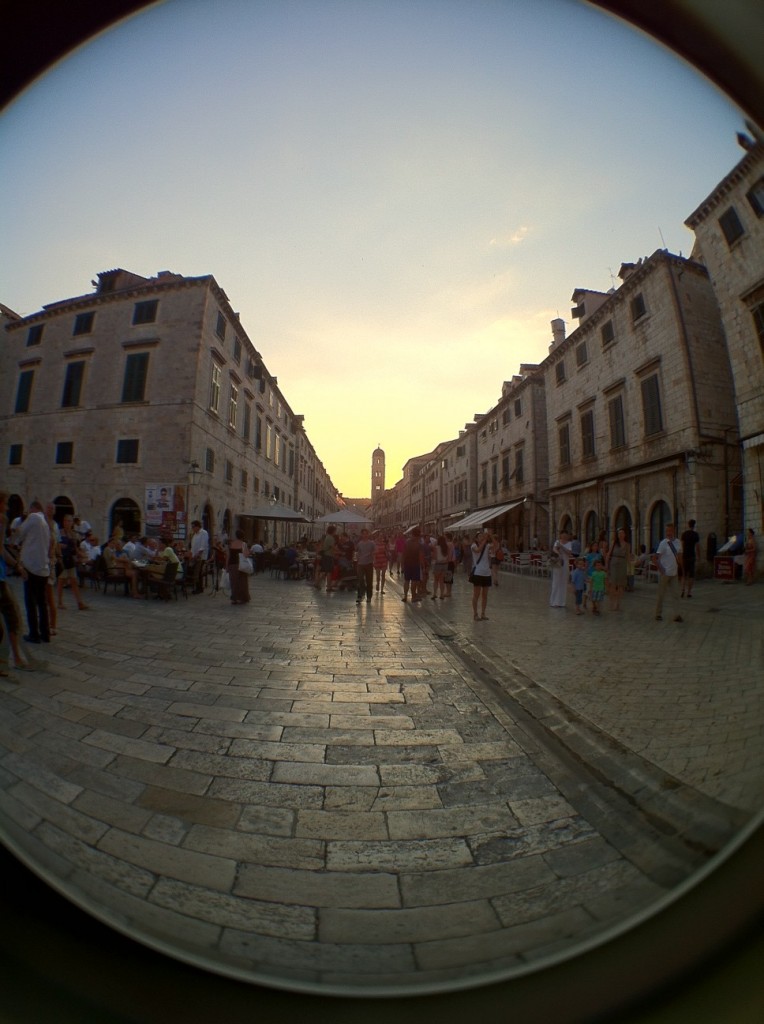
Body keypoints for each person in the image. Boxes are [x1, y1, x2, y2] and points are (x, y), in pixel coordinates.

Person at [0, 492, 29, 672]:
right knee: (12, 617)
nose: (8, 507)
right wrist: (18, 565)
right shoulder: (1, 520)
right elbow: (0, 550)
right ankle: (16, 658)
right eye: (5, 503)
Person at [17, 501, 51, 644]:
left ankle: (34, 634)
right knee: (42, 603)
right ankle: (45, 634)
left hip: (31, 567)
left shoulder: (33, 518)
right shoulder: (46, 524)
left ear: (33, 508)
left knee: (30, 602)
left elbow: (19, 533)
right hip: (43, 567)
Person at [56, 514, 89, 611]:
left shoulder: (74, 534)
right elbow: (56, 544)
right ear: (64, 522)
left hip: (70, 559)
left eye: (70, 521)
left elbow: (75, 548)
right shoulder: (60, 533)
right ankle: (59, 602)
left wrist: (81, 555)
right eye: (66, 521)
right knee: (61, 582)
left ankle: (80, 603)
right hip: (62, 558)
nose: (68, 523)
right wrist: (62, 547)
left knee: (74, 581)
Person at [653, 522, 683, 623]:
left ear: (673, 531)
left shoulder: (678, 542)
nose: (668, 533)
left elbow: (679, 556)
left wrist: (681, 569)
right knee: (661, 594)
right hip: (665, 573)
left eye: (670, 531)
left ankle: (677, 614)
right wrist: (661, 570)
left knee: (675, 594)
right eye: (666, 531)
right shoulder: (663, 543)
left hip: (674, 573)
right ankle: (658, 614)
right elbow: (656, 558)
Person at [470, 530, 493, 620]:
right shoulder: (473, 546)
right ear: (476, 538)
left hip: (486, 573)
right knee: (476, 594)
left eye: (482, 536)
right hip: (478, 573)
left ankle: (483, 613)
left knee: (485, 595)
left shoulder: (487, 546)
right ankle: (475, 614)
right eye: (479, 536)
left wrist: (491, 537)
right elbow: (478, 550)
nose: (481, 537)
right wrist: (485, 540)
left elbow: (496, 546)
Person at [606, 527, 631, 611]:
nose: (620, 535)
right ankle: (612, 601)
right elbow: (609, 554)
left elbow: (628, 557)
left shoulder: (627, 545)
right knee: (613, 583)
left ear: (624, 535)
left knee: (620, 584)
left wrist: (630, 566)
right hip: (613, 563)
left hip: (622, 564)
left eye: (622, 533)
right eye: (619, 533)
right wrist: (606, 565)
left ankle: (618, 602)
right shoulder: (614, 543)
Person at [549, 529, 573, 608]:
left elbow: (569, 553)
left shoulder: (569, 543)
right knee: (556, 582)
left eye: (566, 535)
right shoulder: (557, 542)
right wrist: (558, 552)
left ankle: (562, 602)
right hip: (558, 562)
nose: (564, 536)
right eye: (563, 535)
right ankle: (554, 602)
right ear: (560, 535)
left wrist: (562, 546)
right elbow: (554, 549)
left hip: (565, 563)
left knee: (563, 582)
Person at [226, 529, 250, 604]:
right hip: (241, 565)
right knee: (242, 582)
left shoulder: (231, 544)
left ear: (236, 536)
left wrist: (226, 566)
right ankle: (242, 598)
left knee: (234, 582)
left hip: (232, 564)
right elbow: (246, 555)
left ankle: (234, 598)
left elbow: (228, 556)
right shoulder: (243, 544)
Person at [401, 528, 424, 602]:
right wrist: (422, 566)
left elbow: (403, 554)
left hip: (407, 564)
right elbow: (420, 557)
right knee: (414, 581)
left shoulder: (407, 542)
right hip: (415, 564)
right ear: (419, 535)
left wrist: (402, 564)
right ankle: (413, 597)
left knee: (406, 581)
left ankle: (405, 596)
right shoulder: (419, 545)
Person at [680, 519, 701, 598]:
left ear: (688, 525)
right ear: (694, 525)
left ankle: (682, 590)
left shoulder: (684, 534)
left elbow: (682, 546)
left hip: (685, 556)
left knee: (684, 574)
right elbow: (697, 547)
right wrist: (699, 557)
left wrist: (681, 555)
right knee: (691, 575)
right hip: (692, 556)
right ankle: (689, 592)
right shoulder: (695, 535)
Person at [355, 528, 375, 604]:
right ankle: (360, 595)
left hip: (369, 563)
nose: (365, 535)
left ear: (368, 534)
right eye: (363, 534)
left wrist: (372, 554)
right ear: (361, 535)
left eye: (366, 533)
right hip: (360, 564)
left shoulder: (371, 543)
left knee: (369, 580)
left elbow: (376, 550)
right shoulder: (359, 544)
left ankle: (369, 596)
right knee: (360, 580)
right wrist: (357, 557)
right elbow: (356, 552)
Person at [189, 519, 210, 593]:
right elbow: (193, 546)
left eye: (193, 527)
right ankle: (198, 587)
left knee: (199, 572)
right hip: (195, 556)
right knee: (196, 572)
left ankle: (199, 588)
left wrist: (198, 554)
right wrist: (192, 554)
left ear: (197, 526)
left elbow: (203, 545)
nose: (192, 528)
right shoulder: (195, 535)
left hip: (201, 556)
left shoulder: (203, 533)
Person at [316, 525, 337, 591]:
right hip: (328, 556)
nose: (335, 532)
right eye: (335, 531)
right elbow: (333, 548)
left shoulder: (327, 537)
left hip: (325, 556)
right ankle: (323, 585)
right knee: (328, 572)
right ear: (333, 531)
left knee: (326, 572)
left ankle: (325, 586)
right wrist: (337, 553)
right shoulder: (331, 538)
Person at [430, 535, 449, 600]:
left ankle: (435, 594)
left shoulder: (436, 548)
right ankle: (442, 595)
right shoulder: (446, 547)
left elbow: (434, 557)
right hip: (445, 565)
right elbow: (448, 557)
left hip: (438, 564)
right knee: (442, 581)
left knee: (436, 580)